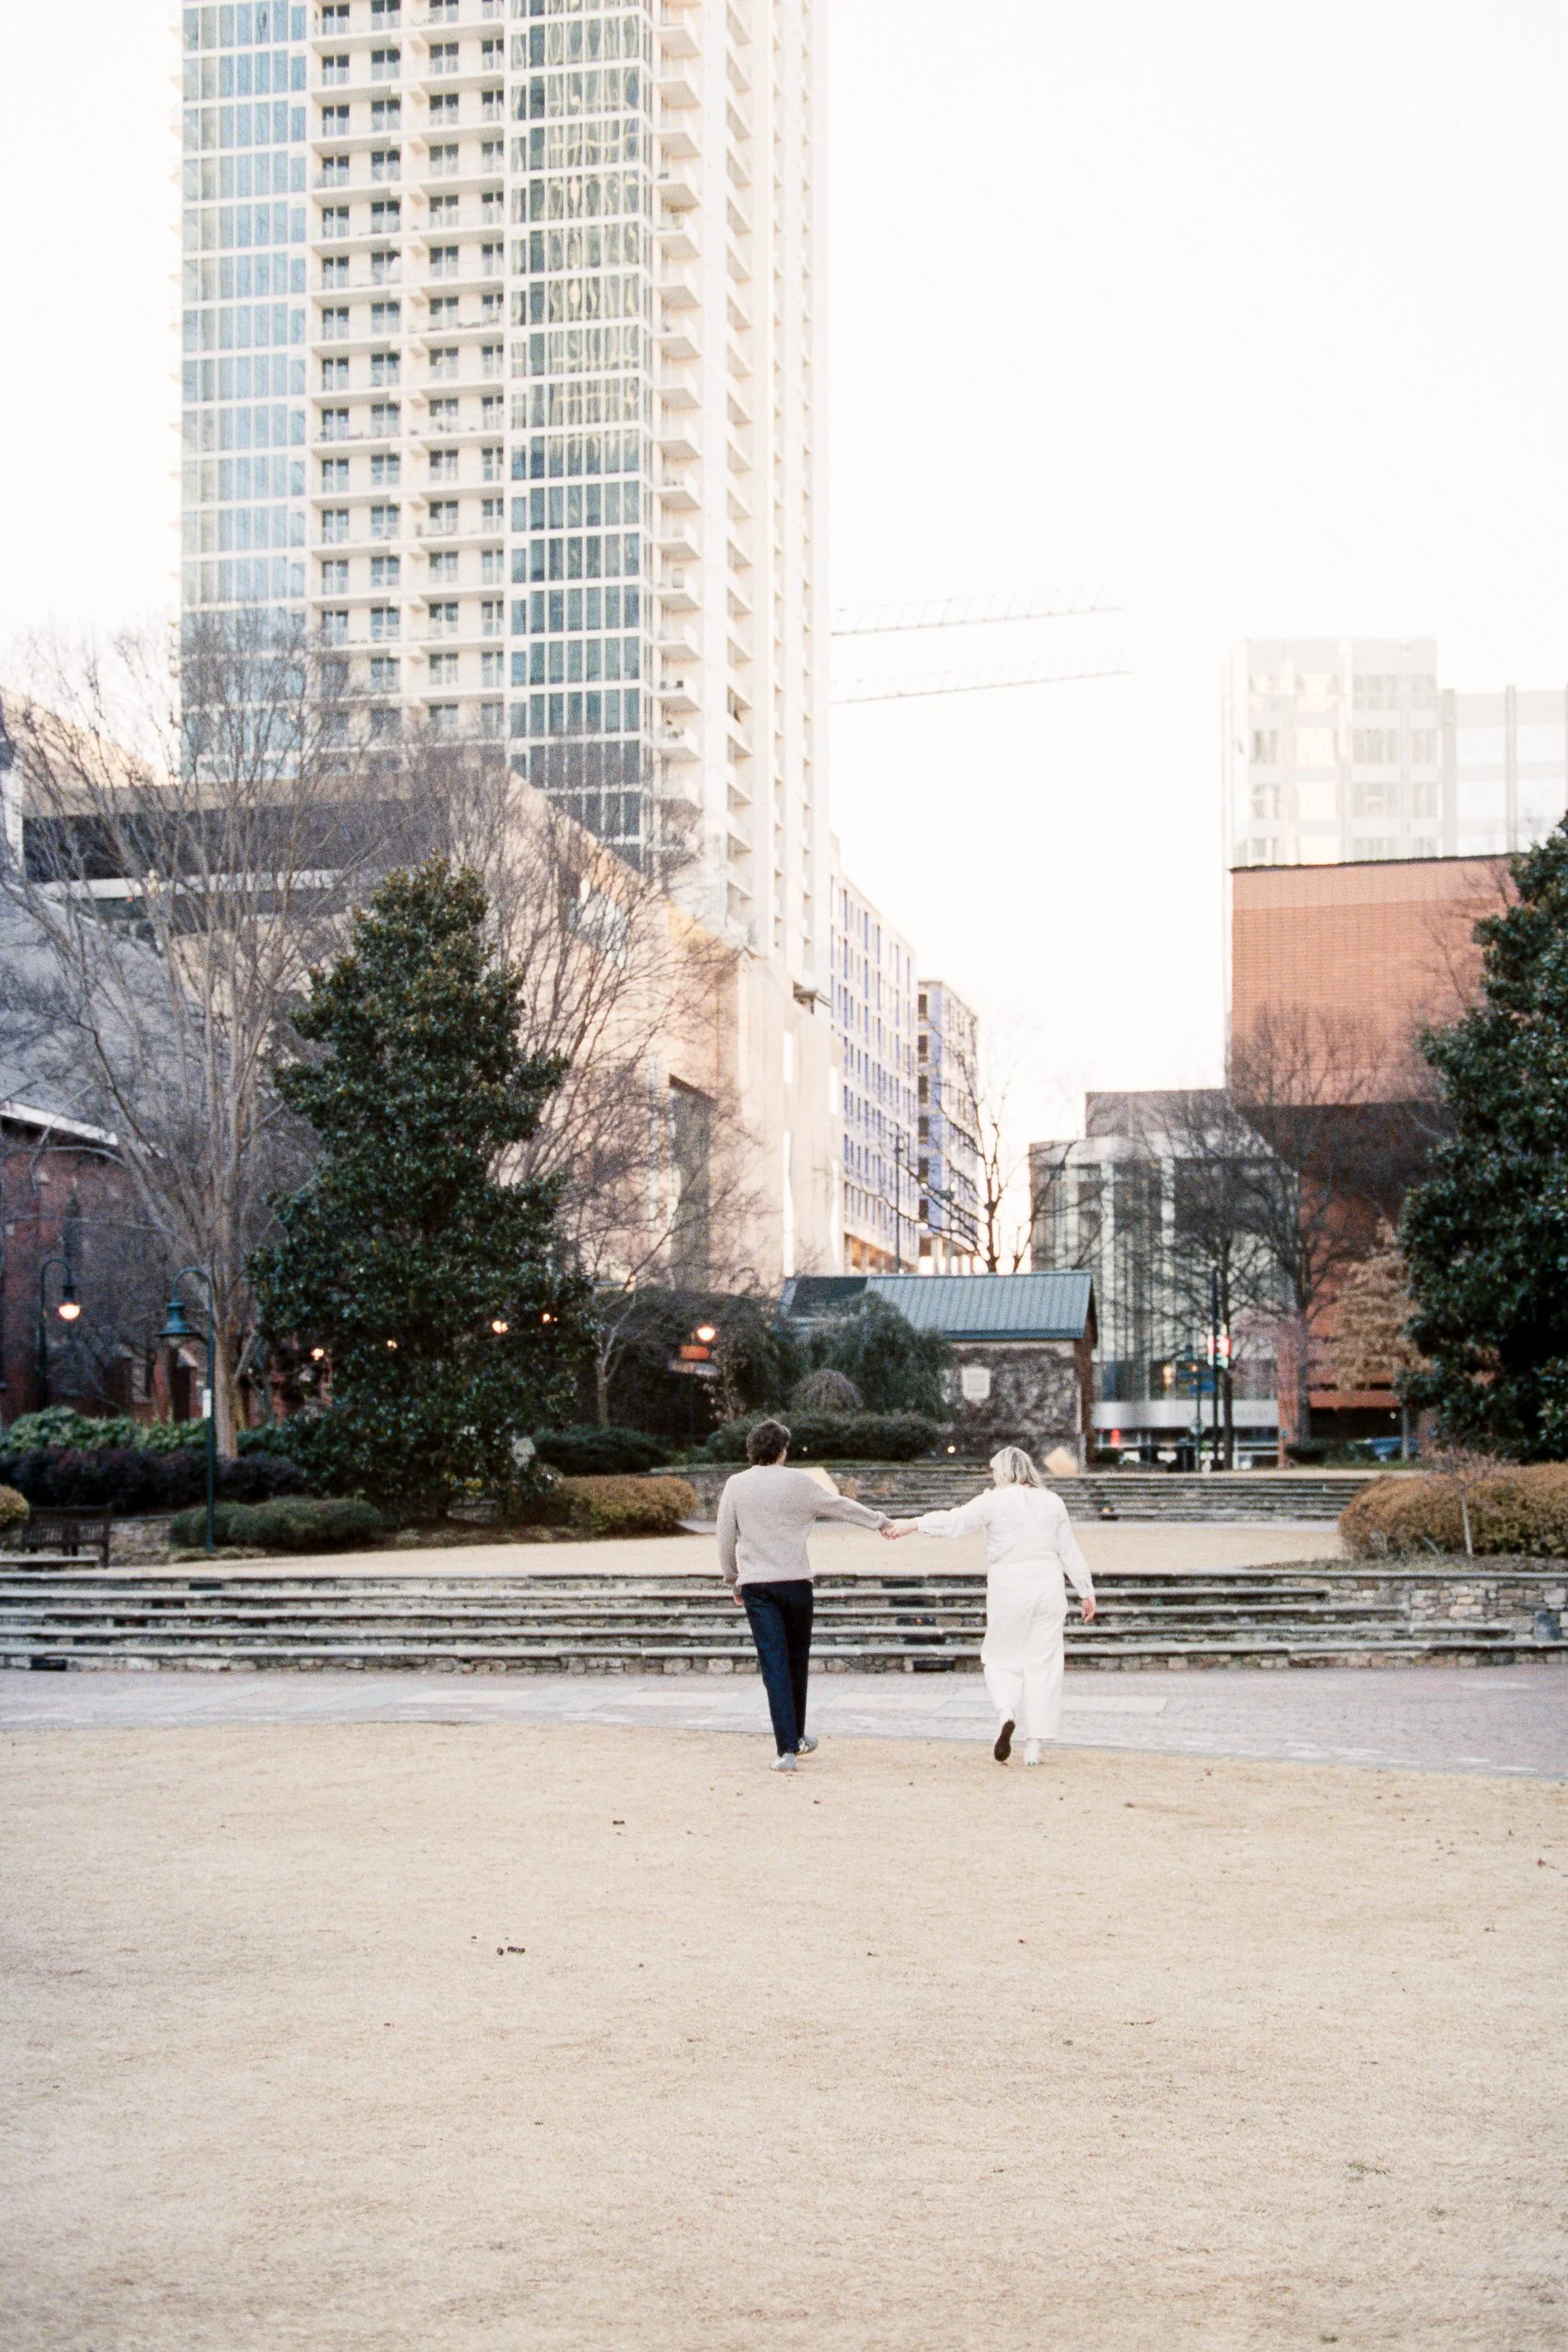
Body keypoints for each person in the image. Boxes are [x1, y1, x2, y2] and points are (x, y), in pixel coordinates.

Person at [882, 1445, 1096, 1766]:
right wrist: (1086, 1591)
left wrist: (913, 1524)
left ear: (1004, 1472)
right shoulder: (1052, 1502)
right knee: (1044, 1664)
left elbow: (954, 1522)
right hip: (1049, 1585)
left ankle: (1006, 1712)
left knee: (999, 1656)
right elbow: (1069, 1550)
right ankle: (1034, 1745)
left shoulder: (993, 1501)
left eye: (994, 1471)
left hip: (1009, 1586)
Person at [717, 1418, 893, 1771]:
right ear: (783, 1450)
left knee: (775, 1665)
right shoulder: (799, 1482)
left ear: (751, 1449)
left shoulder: (736, 1485)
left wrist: (732, 1578)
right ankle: (794, 1737)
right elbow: (840, 1505)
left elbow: (725, 1537)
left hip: (758, 1586)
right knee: (797, 1662)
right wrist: (880, 1522)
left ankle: (787, 1747)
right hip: (796, 1582)